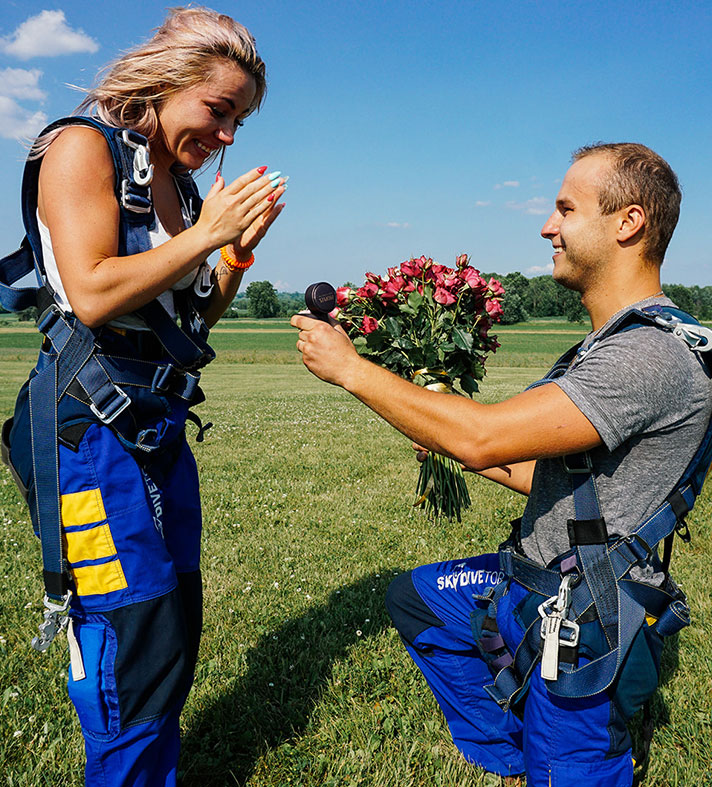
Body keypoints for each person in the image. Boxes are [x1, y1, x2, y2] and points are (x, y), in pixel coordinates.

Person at [291, 143, 712, 786]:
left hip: (586, 616)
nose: (548, 225)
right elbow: (538, 472)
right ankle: (514, 757)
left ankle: (555, 757)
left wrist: (353, 371)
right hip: (534, 581)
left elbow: (485, 437)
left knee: (570, 768)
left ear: (628, 223)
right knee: (420, 598)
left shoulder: (646, 357)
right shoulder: (610, 345)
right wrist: (444, 436)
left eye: (566, 208)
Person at [0, 7, 286, 785]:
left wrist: (232, 254)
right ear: (166, 84)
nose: (228, 135)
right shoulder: (80, 148)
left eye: (240, 120)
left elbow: (188, 322)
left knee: (173, 615)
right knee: (131, 632)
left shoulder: (181, 189)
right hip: (86, 426)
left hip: (153, 419)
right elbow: (91, 293)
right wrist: (202, 236)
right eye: (219, 110)